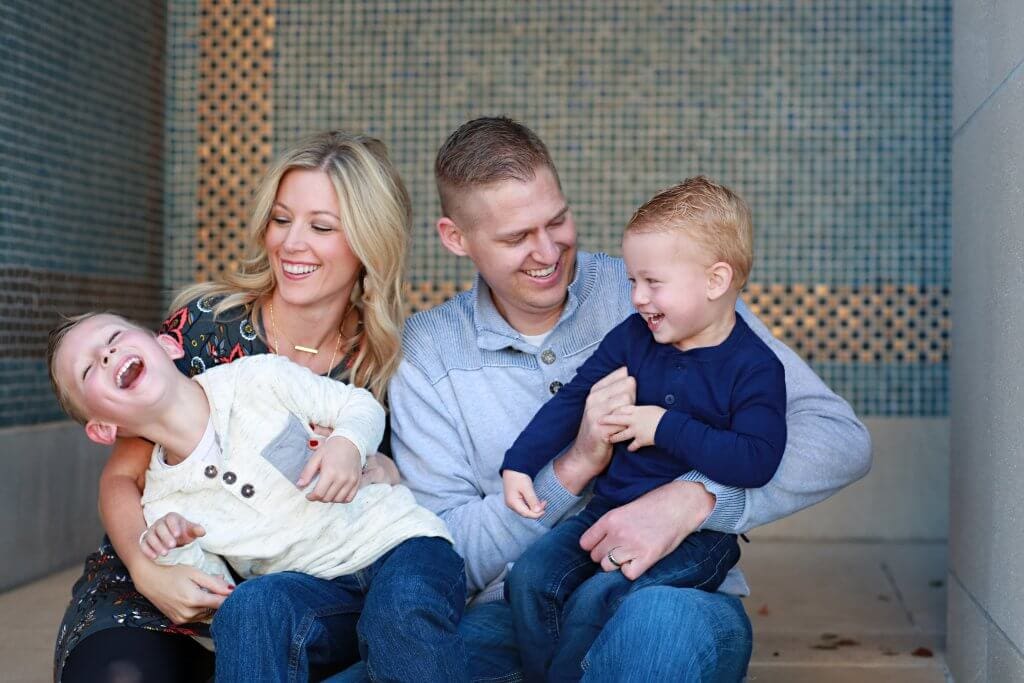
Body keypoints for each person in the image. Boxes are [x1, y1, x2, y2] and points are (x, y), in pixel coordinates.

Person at [380, 116, 872, 681]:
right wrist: (570, 468)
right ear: (455, 239)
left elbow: (838, 437)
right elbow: (447, 555)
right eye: (517, 237)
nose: (548, 251)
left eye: (558, 220)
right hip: (512, 616)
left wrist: (695, 499)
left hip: (670, 600)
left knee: (655, 635)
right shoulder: (428, 351)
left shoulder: (657, 288)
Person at [55, 131, 415, 683]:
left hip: (299, 592)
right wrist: (149, 572)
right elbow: (121, 479)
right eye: (280, 219)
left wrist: (374, 466)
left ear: (370, 242)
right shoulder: (207, 324)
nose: (292, 243)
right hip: (168, 572)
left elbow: (388, 485)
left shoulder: (383, 362)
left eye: (321, 227)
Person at [48, 312, 466, 681]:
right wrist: (175, 548)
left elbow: (359, 405)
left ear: (168, 344)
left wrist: (347, 443)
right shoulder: (160, 502)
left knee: (401, 611)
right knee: (248, 609)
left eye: (115, 337)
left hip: (398, 547)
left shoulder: (256, 378)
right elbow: (216, 596)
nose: (106, 354)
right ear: (102, 428)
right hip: (315, 595)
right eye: (88, 369)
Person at [501, 177, 786, 680]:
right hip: (609, 508)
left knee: (597, 599)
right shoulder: (635, 337)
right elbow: (575, 398)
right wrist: (520, 463)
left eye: (652, 283)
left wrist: (664, 427)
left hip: (701, 537)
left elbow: (757, 460)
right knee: (529, 579)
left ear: (716, 281)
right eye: (633, 281)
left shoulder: (754, 367)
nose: (636, 297)